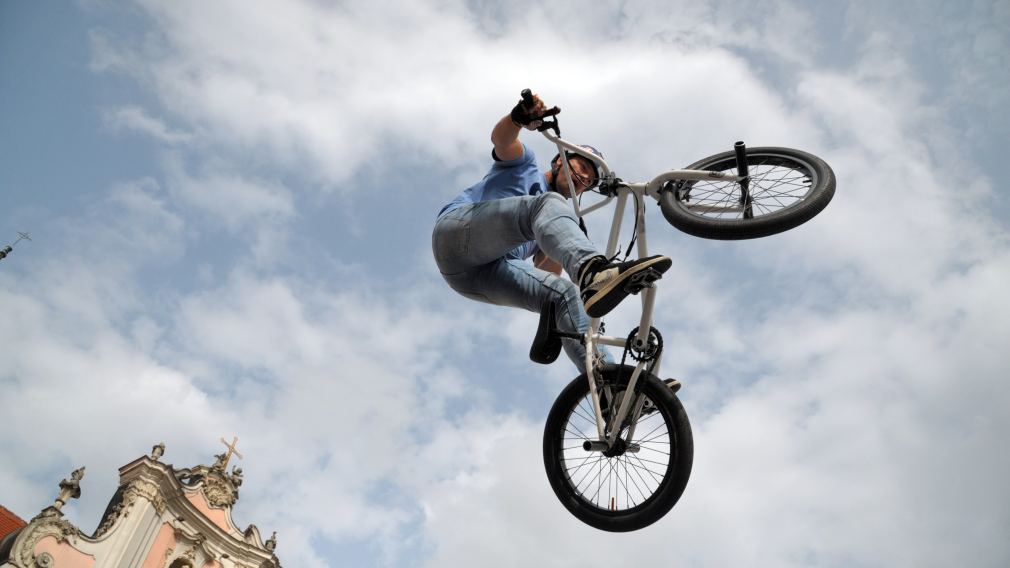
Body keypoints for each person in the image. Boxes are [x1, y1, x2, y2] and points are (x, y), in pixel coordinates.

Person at [431, 92, 672, 373]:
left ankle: (609, 386)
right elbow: (502, 140)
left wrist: (571, 305)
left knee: (564, 293)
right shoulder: (525, 166)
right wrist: (517, 118)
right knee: (546, 205)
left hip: (475, 277)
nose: (582, 179)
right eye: (580, 168)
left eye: (588, 181)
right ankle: (593, 271)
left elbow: (548, 278)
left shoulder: (553, 219)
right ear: (559, 161)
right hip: (457, 234)